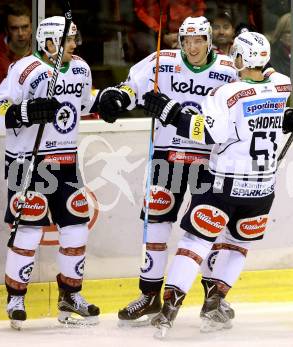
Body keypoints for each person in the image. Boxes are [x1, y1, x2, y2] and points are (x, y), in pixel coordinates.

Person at [142, 31, 293, 336]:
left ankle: (169, 309)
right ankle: (214, 304)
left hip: (223, 182)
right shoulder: (282, 84)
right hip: (262, 187)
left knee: (195, 243)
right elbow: (272, 90)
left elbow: (207, 134)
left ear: (242, 58)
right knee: (237, 244)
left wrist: (170, 112)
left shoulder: (225, 94)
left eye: (236, 53)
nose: (232, 58)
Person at [97, 16, 237, 326]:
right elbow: (131, 87)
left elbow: (254, 93)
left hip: (208, 161)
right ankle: (149, 296)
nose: (191, 46)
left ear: (210, 40)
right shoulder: (163, 61)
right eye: (186, 40)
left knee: (206, 230)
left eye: (198, 39)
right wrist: (118, 98)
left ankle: (213, 299)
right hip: (166, 156)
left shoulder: (229, 70)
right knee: (156, 227)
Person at [0, 15, 108, 329]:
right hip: (26, 162)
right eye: (68, 39)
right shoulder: (24, 69)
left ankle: (71, 295)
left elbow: (83, 103)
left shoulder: (80, 67)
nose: (73, 45)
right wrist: (24, 112)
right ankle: (15, 298)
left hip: (66, 161)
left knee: (76, 227)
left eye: (74, 39)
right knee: (28, 231)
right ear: (49, 41)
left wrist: (106, 100)